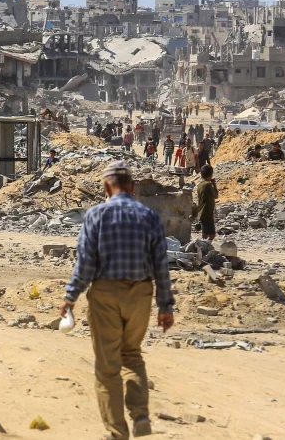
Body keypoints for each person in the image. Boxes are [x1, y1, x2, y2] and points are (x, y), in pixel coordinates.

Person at [60, 161, 174, 440]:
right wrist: (165, 306)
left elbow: (85, 262)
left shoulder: (96, 215)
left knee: (108, 366)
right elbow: (161, 263)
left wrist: (70, 296)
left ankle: (116, 432)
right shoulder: (149, 216)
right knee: (132, 355)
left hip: (105, 295)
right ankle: (141, 416)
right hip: (141, 294)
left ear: (105, 187)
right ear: (133, 187)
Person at [196, 165, 218, 241]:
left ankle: (204, 247)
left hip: (201, 212)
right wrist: (214, 184)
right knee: (212, 234)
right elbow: (216, 195)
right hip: (208, 212)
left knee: (205, 234)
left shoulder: (200, 185)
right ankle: (206, 247)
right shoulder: (208, 185)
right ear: (211, 174)